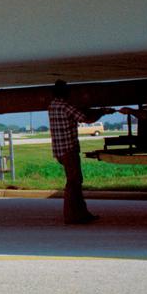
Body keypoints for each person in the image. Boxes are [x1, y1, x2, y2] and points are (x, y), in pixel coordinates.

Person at [47, 87, 113, 225]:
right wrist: (102, 112)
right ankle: (72, 215)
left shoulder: (52, 106)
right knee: (73, 182)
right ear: (66, 93)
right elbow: (85, 119)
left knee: (75, 181)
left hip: (59, 151)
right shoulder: (66, 106)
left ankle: (81, 213)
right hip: (69, 149)